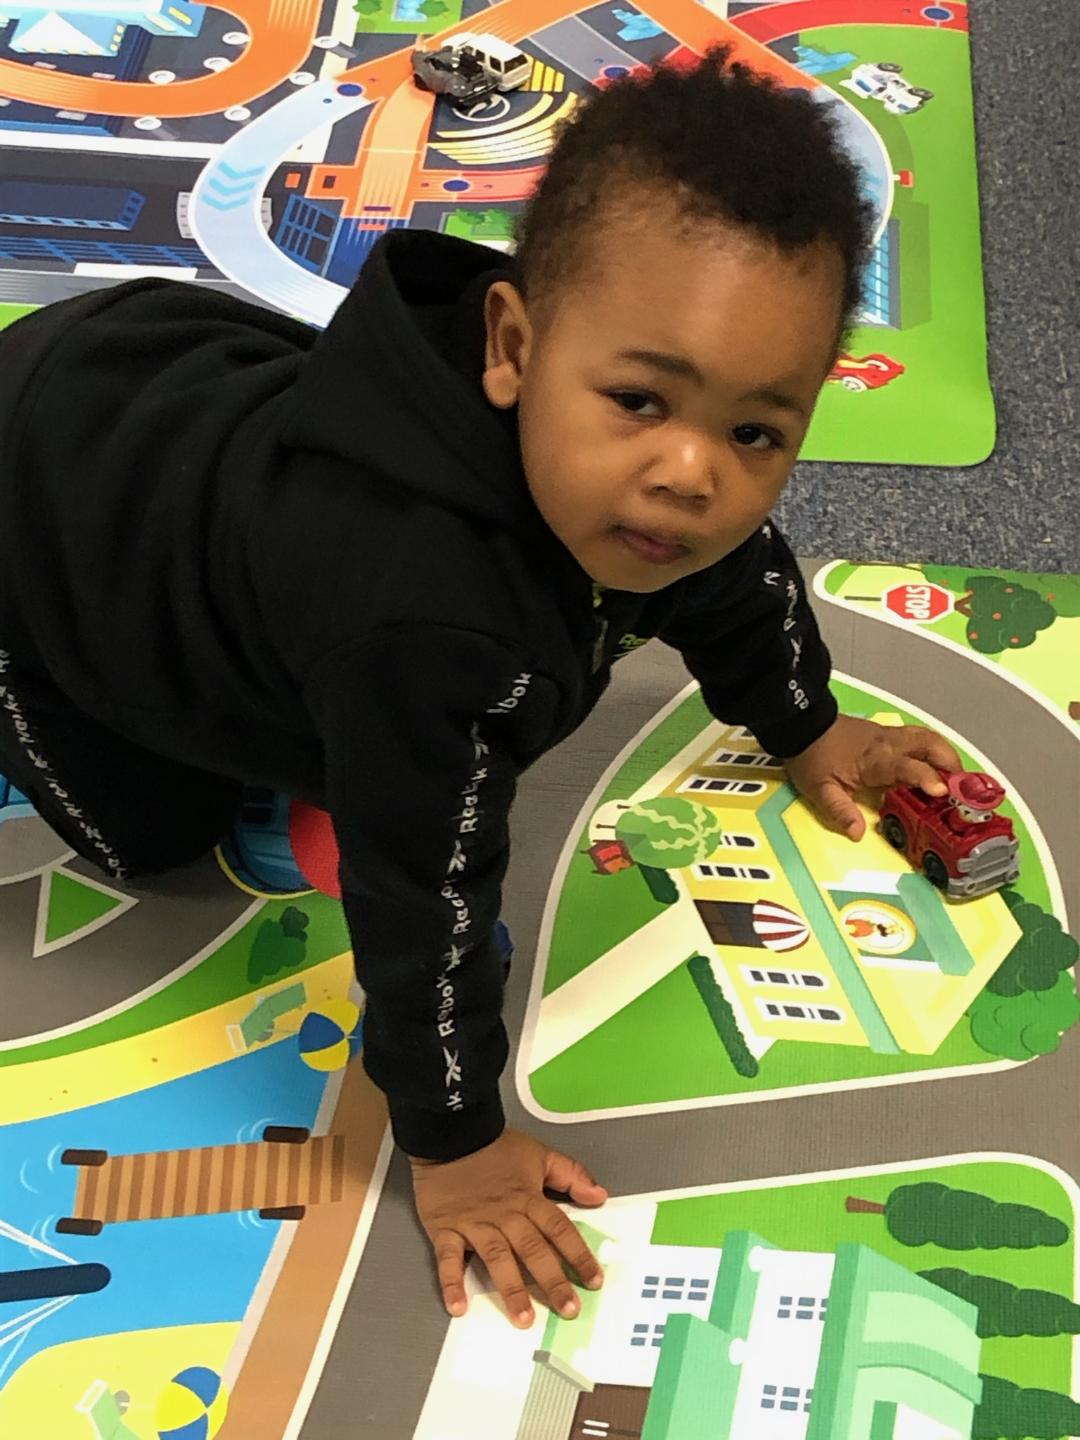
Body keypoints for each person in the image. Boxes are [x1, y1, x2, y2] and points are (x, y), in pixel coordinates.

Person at [0, 47, 962, 1328]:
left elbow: (740, 579)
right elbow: (427, 900)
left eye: (756, 432)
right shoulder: (435, 626)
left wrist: (808, 723)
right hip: (46, 521)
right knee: (156, 837)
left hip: (152, 389)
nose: (692, 473)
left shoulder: (650, 498)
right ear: (510, 344)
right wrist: (452, 1146)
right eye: (638, 399)